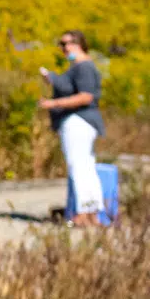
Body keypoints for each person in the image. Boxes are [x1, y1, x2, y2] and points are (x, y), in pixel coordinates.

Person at [40, 30, 107, 226]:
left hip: (78, 121)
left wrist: (54, 104)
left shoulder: (83, 66)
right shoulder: (81, 66)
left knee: (78, 166)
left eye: (65, 43)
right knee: (86, 166)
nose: (62, 48)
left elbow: (86, 96)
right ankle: (90, 214)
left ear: (77, 43)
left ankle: (82, 214)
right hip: (82, 121)